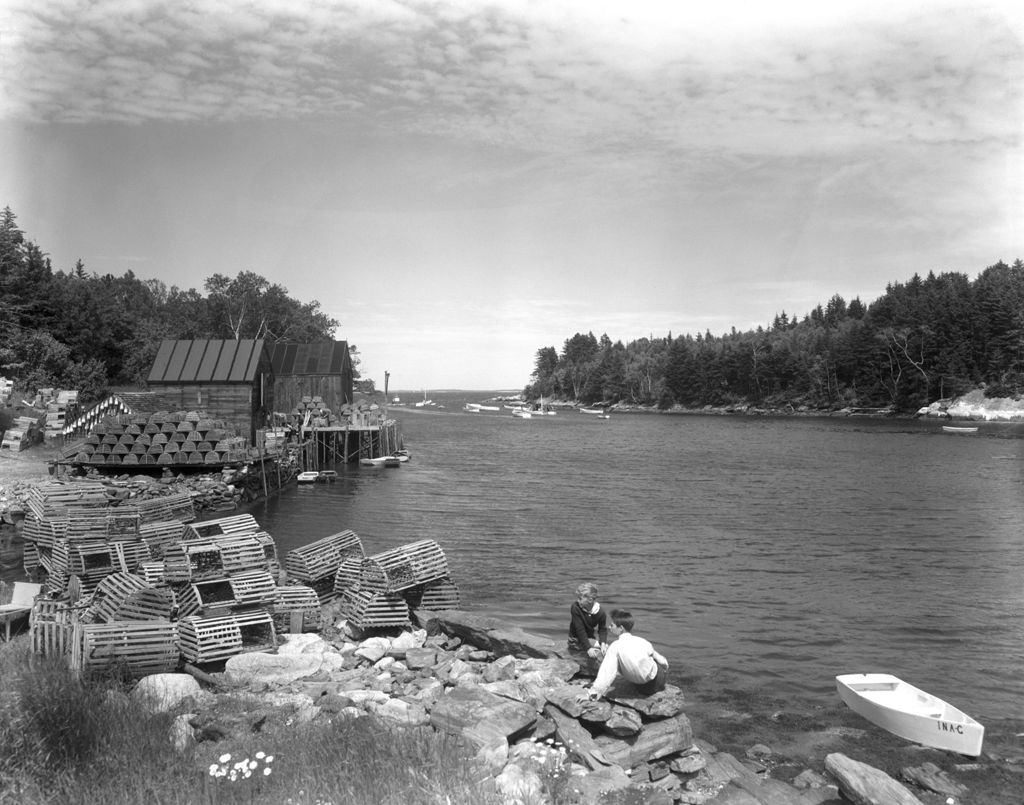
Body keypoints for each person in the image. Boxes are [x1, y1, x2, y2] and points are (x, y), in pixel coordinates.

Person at [582, 609, 669, 701]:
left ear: (621, 628)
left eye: (612, 625)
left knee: (613, 663)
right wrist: (665, 668)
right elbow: (662, 661)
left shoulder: (615, 646)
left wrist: (591, 694)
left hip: (644, 688)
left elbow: (607, 673)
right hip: (658, 680)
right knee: (652, 656)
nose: (609, 627)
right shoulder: (642, 641)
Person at [567, 582, 608, 671]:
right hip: (576, 639)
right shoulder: (575, 607)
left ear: (590, 599)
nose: (578, 600)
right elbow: (579, 630)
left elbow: (602, 629)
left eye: (580, 598)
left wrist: (603, 643)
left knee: (605, 647)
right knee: (600, 648)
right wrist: (588, 648)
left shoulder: (600, 612)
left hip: (589, 638)